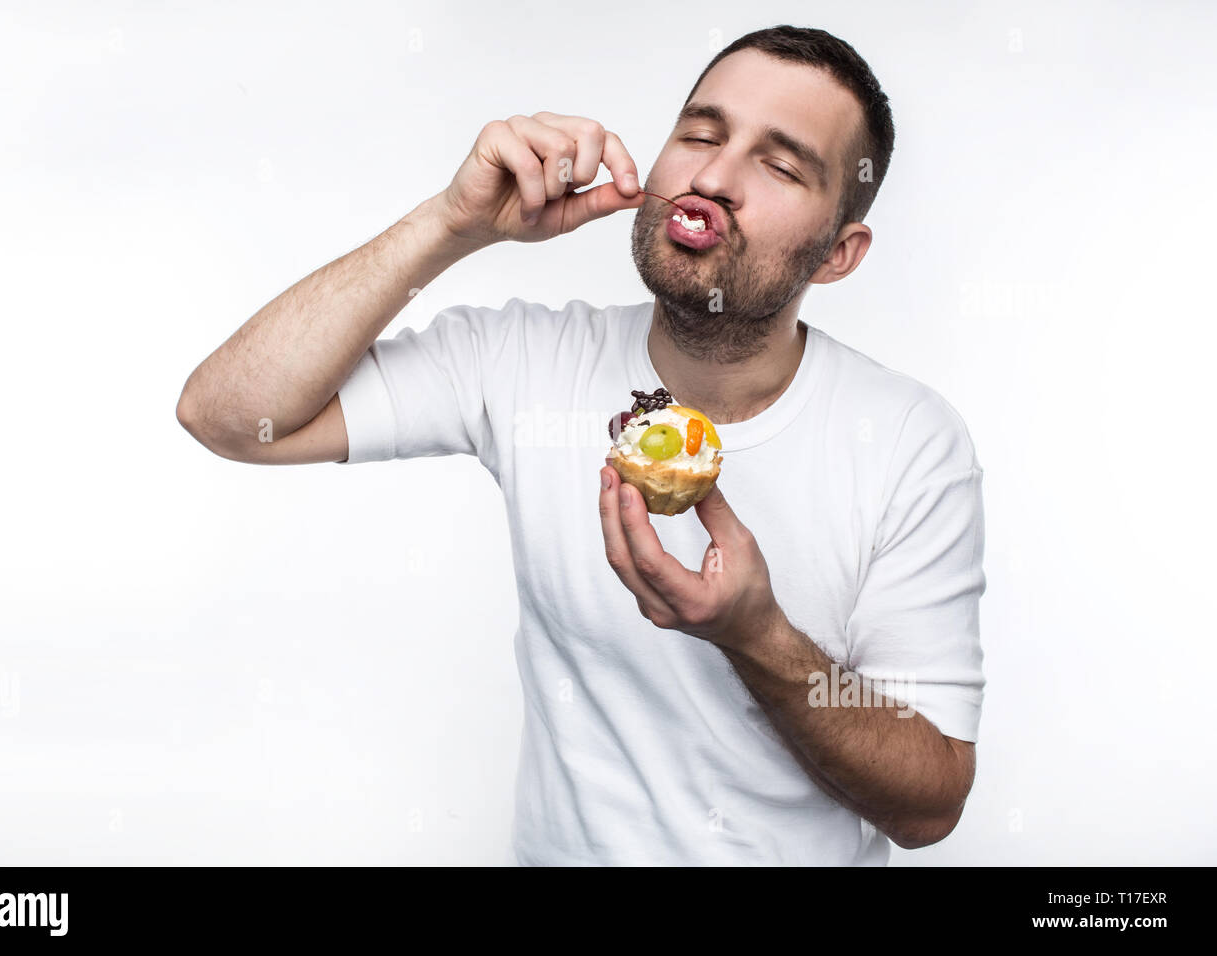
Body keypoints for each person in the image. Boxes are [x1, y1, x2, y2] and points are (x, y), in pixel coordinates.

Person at [177, 25, 986, 866]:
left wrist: (757, 636)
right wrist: (453, 223)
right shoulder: (522, 361)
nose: (712, 176)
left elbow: (929, 805)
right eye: (701, 135)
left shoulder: (908, 443)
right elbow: (229, 415)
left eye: (780, 166)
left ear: (839, 255)